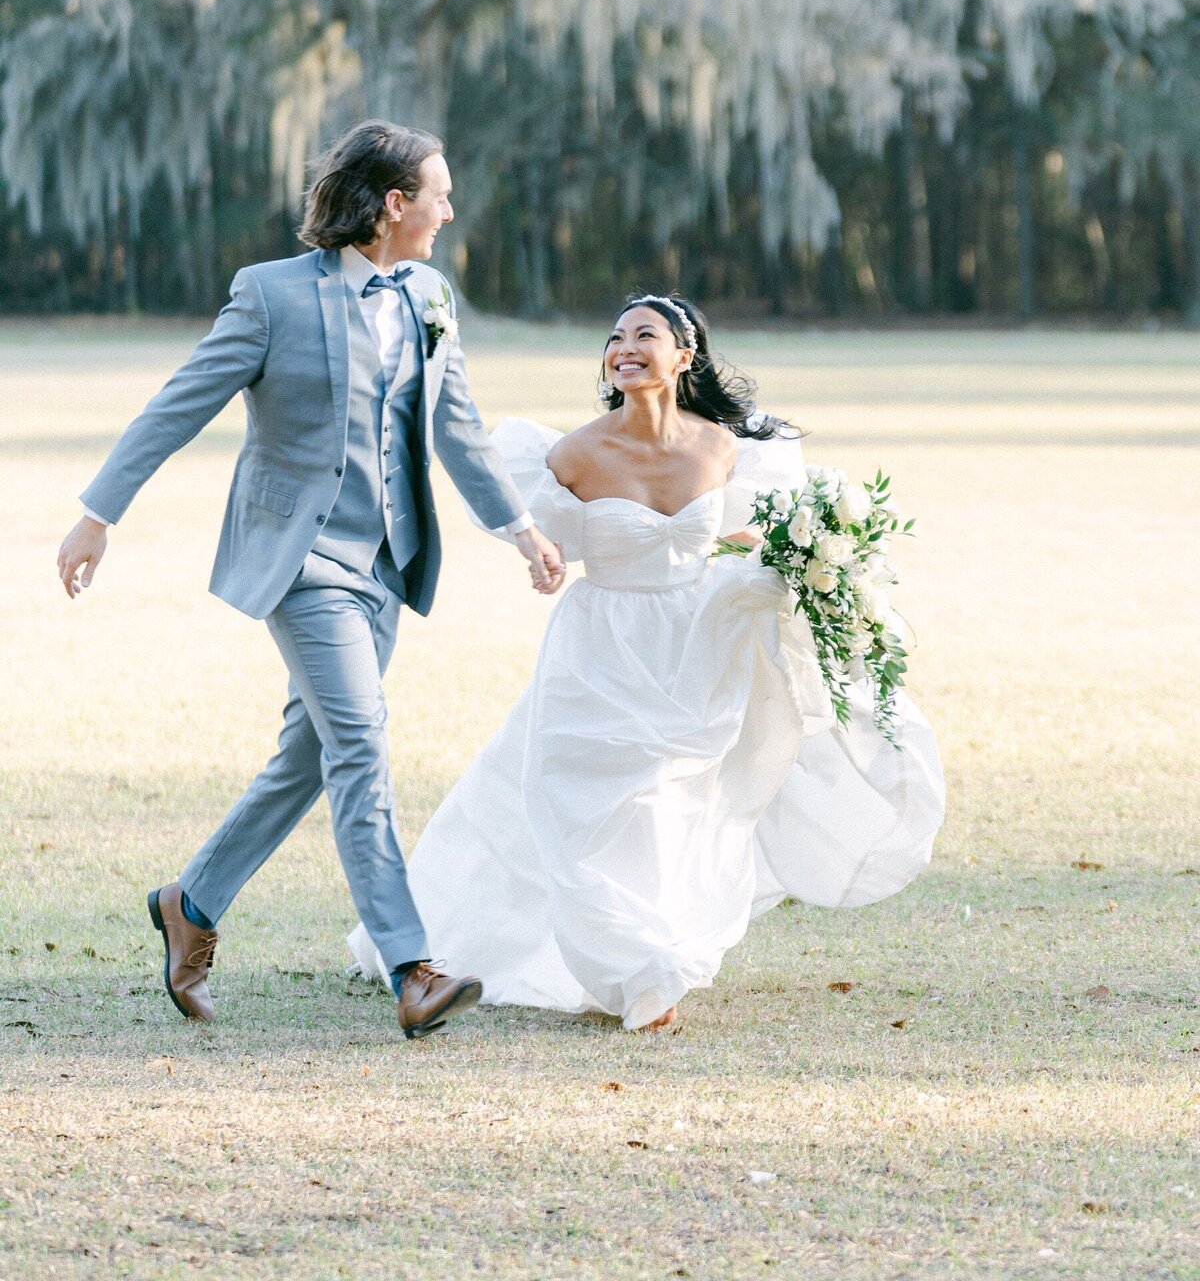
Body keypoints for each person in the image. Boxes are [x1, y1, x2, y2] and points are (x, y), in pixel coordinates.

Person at [55, 121, 565, 1039]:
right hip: (300, 565)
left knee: (309, 755)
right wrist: (100, 512)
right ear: (392, 203)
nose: (451, 211)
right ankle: (414, 968)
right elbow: (179, 403)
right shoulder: (270, 296)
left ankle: (191, 903)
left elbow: (459, 428)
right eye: (437, 195)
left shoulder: (431, 298)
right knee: (362, 745)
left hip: (385, 566)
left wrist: (521, 533)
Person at [349, 294, 945, 1031]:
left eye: (645, 335)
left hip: (697, 643)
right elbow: (539, 535)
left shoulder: (726, 450)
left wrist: (815, 574)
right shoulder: (573, 452)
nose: (624, 346)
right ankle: (637, 972)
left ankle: (654, 935)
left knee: (675, 805)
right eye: (615, 337)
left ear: (684, 357)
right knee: (574, 806)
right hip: (601, 648)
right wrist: (540, 560)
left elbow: (755, 534)